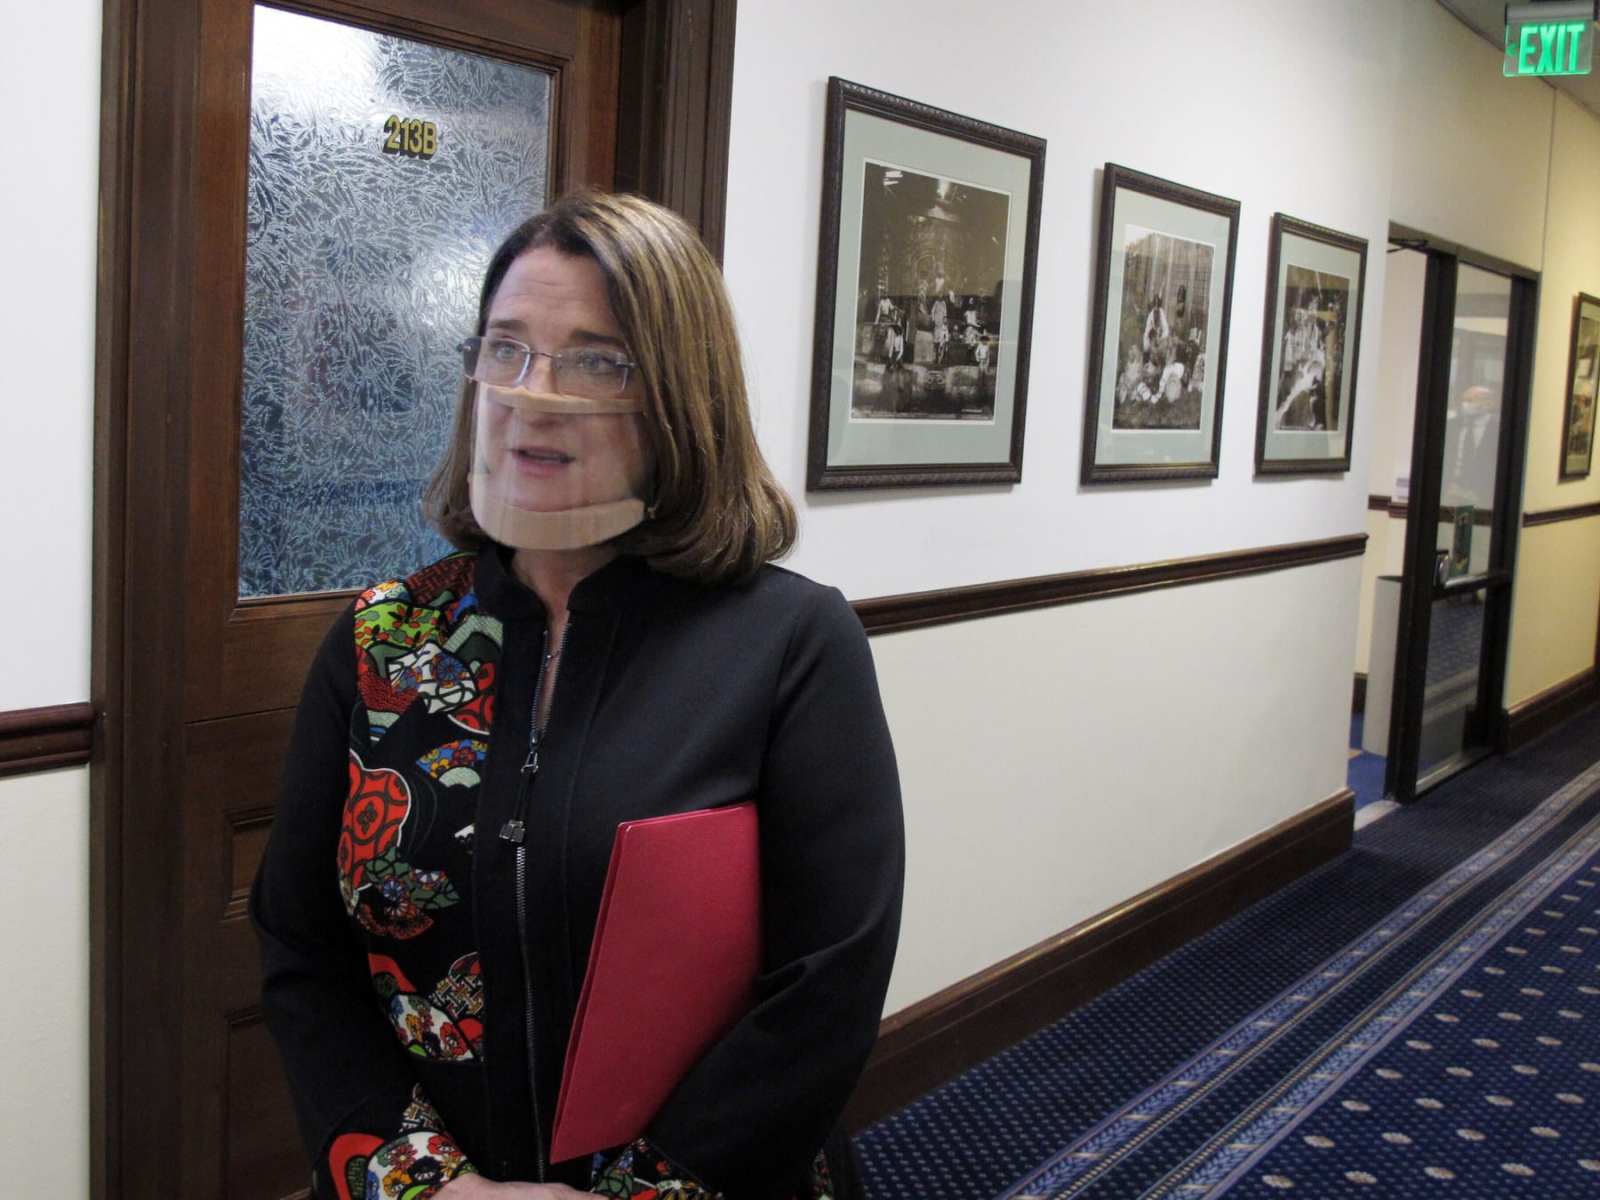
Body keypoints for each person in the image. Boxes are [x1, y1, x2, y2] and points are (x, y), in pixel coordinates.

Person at [252, 190, 906, 1200]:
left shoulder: (786, 643)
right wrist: (422, 1181)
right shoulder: (382, 640)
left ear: (681, 396)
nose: (534, 393)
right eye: (506, 348)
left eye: (596, 360)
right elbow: (302, 944)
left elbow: (829, 979)